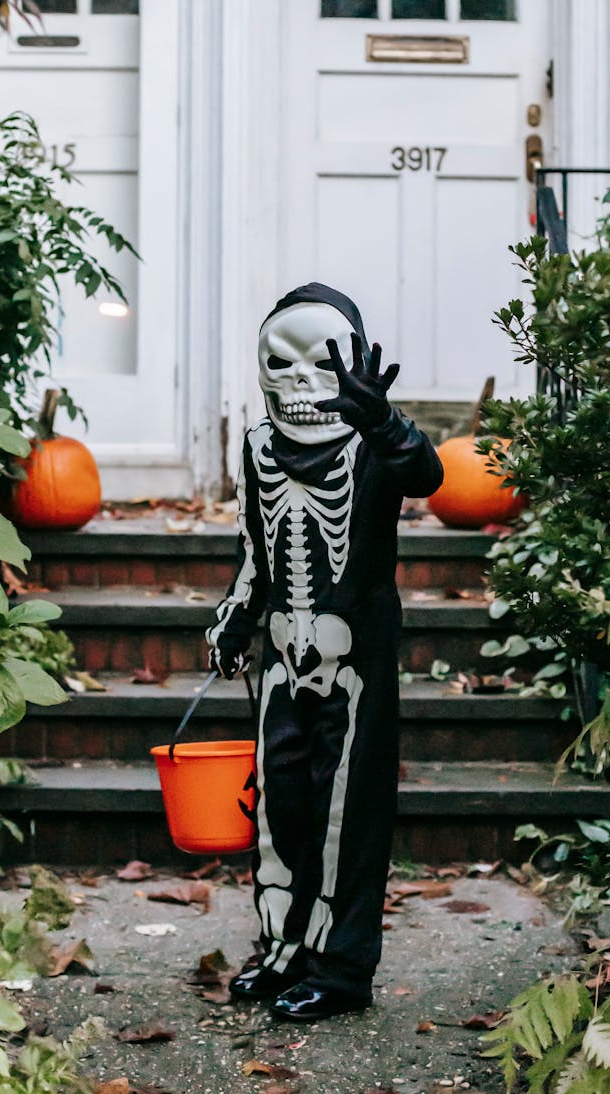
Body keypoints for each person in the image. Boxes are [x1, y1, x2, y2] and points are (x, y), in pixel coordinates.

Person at [206, 283, 443, 1022]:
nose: (303, 384)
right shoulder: (254, 448)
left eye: (322, 364)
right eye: (284, 365)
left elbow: (428, 477)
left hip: (354, 667)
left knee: (348, 819)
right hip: (282, 661)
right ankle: (283, 949)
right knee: (282, 812)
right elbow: (257, 549)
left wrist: (388, 426)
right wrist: (235, 619)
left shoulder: (373, 450)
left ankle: (339, 967)